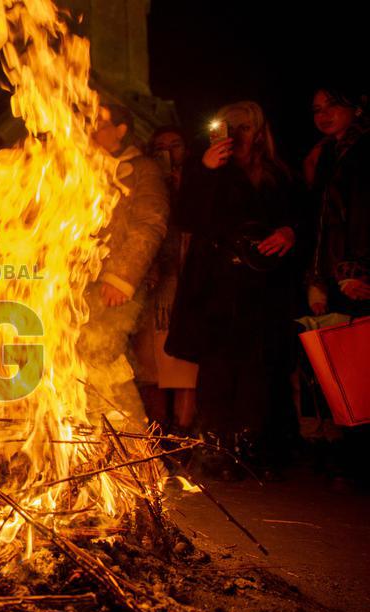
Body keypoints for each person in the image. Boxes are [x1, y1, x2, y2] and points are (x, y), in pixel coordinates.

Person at [166, 101, 302, 480]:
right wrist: (206, 170)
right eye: (229, 126)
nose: (236, 134)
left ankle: (253, 449)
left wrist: (290, 231)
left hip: (262, 284)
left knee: (259, 369)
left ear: (258, 132)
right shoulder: (206, 168)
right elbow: (187, 218)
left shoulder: (277, 174)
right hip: (216, 284)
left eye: (244, 127)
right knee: (218, 367)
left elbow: (298, 217)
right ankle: (218, 450)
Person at [80, 103, 169, 428]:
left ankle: (133, 449)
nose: (91, 129)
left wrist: (123, 276)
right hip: (75, 283)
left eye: (100, 123)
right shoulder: (80, 169)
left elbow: (150, 223)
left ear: (120, 130)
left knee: (105, 357)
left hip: (113, 285)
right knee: (79, 362)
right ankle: (88, 444)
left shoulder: (143, 169)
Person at [133, 127, 199, 433]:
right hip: (151, 283)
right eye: (160, 146)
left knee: (183, 366)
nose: (169, 151)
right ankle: (158, 431)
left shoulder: (199, 182)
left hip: (185, 283)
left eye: (175, 144)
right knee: (148, 366)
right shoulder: (144, 182)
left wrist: (183, 190)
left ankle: (183, 430)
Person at [306, 86, 370, 318]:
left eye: (333, 105)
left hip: (356, 277)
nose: (323, 115)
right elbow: (322, 219)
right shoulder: (327, 153)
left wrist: (356, 270)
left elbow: (362, 214)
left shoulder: (363, 149)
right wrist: (317, 276)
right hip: (338, 274)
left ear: (357, 108)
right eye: (317, 110)